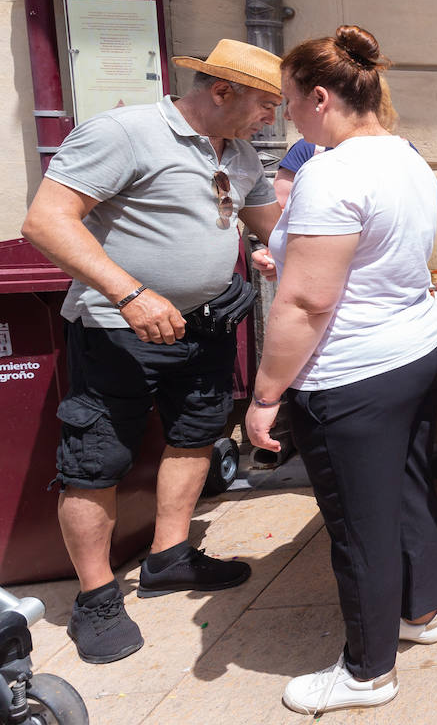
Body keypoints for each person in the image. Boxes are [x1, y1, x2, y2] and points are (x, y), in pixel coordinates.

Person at [19, 39, 283, 664]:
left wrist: (272, 250)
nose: (273, 118)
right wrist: (130, 292)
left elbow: (270, 224)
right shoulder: (124, 133)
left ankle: (168, 557)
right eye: (266, 104)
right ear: (222, 91)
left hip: (208, 325)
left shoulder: (240, 152)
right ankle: (97, 597)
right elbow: (47, 221)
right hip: (119, 328)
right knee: (95, 460)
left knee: (195, 436)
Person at [243, 26, 437, 715]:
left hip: (352, 373)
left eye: (292, 103)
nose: (286, 117)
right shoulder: (407, 158)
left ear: (322, 98)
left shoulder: (330, 172)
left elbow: (305, 301)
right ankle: (422, 612)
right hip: (416, 350)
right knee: (408, 491)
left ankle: (368, 672)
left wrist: (265, 394)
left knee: (360, 527)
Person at [271, 77, 399, 207]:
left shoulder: (401, 155)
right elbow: (279, 208)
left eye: (289, 101)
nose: (286, 115)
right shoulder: (308, 149)